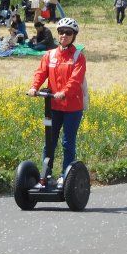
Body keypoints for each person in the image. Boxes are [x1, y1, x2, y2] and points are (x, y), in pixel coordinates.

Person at [28, 17, 87, 189]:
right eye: (61, 32)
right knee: (49, 141)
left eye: (68, 33)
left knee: (67, 142)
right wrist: (34, 87)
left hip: (72, 107)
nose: (64, 35)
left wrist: (64, 92)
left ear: (73, 35)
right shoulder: (50, 54)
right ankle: (45, 176)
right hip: (53, 106)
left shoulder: (78, 56)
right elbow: (41, 72)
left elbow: (76, 80)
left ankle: (65, 176)